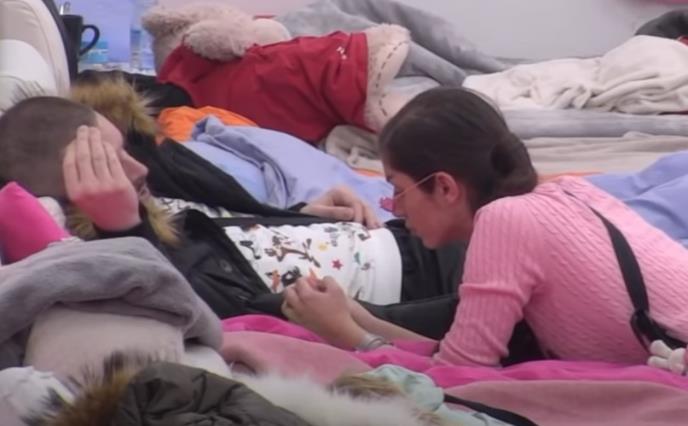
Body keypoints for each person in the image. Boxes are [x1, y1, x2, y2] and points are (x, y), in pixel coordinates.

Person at [281, 87, 688, 367]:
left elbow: (460, 377)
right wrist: (357, 318)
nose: (395, 208)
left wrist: (346, 334)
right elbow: (457, 353)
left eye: (399, 189)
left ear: (445, 187)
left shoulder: (503, 221)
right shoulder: (569, 191)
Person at [0, 94, 464, 319]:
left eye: (123, 149)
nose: (138, 168)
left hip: (401, 238)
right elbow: (210, 306)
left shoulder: (159, 187)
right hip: (415, 289)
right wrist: (123, 230)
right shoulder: (130, 258)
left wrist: (301, 215)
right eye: (111, 165)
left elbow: (231, 237)